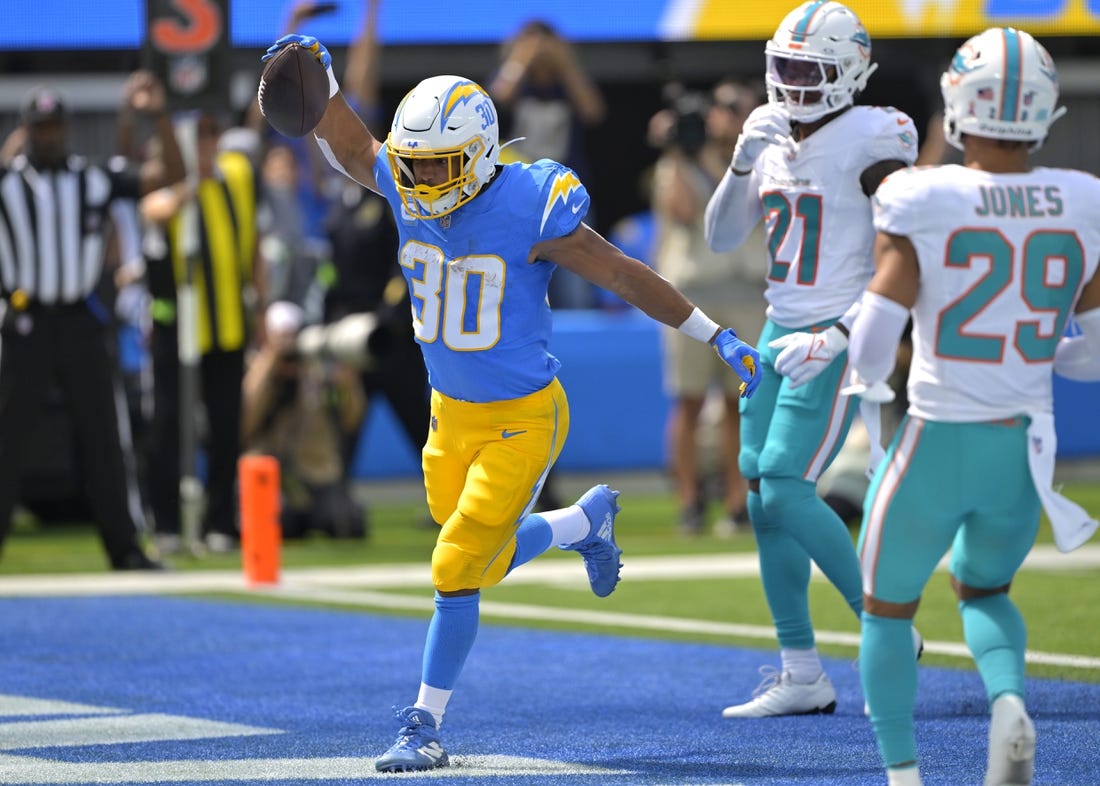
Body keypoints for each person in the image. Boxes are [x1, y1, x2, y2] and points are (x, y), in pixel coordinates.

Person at [260, 34, 762, 772]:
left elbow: (621, 273)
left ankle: (423, 726)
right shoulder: (402, 178)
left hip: (525, 415)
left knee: (457, 561)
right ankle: (582, 521)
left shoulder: (531, 203)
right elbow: (341, 133)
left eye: (440, 163)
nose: (424, 179)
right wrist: (324, 74)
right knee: (479, 552)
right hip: (449, 414)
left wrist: (714, 334)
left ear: (483, 153)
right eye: (415, 162)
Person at [848, 27, 1100, 786]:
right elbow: (1090, 357)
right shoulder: (1084, 199)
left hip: (936, 437)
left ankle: (902, 774)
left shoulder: (922, 193)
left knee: (886, 610)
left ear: (959, 106)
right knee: (984, 588)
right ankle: (1009, 704)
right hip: (1024, 447)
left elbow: (875, 333)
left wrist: (863, 382)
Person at [703, 0, 921, 717]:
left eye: (810, 70)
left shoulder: (873, 135)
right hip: (777, 325)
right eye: (785, 68)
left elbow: (908, 254)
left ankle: (885, 619)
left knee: (786, 482)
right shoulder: (767, 135)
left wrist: (842, 332)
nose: (793, 84)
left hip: (834, 330)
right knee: (764, 502)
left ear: (850, 74)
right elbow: (719, 237)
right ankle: (802, 672)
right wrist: (739, 161)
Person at [0, 73, 185, 570]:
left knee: (105, 435)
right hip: (25, 321)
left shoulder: (93, 178)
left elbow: (168, 173)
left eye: (56, 127)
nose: (50, 136)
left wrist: (159, 115)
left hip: (81, 320)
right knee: (8, 439)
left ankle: (124, 547)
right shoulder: (9, 183)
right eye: (40, 128)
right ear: (25, 132)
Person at [141, 110, 266, 554]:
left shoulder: (237, 176)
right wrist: (183, 190)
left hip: (228, 324)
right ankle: (167, 524)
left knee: (226, 428)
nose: (206, 144)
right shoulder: (168, 180)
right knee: (169, 425)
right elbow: (150, 209)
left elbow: (253, 244)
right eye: (197, 137)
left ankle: (219, 523)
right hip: (177, 327)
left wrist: (262, 309)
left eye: (210, 134)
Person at [649, 80, 767, 536]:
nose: (722, 116)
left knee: (743, 403)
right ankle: (690, 502)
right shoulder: (678, 163)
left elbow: (753, 210)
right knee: (690, 400)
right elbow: (679, 210)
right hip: (694, 296)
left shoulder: (759, 163)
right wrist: (678, 150)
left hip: (748, 291)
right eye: (717, 108)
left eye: (733, 108)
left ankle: (738, 503)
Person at [487, 18, 606, 309]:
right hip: (517, 195)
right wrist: (521, 58)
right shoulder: (517, 81)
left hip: (565, 196)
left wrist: (565, 63)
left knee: (575, 285)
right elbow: (498, 97)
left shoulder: (566, 84)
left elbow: (593, 111)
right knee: (517, 281)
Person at [241, 301, 368, 539]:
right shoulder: (254, 367)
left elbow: (352, 421)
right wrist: (271, 359)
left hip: (316, 473)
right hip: (268, 474)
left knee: (348, 523)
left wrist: (349, 382)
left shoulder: (317, 372)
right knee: (282, 521)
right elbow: (245, 422)